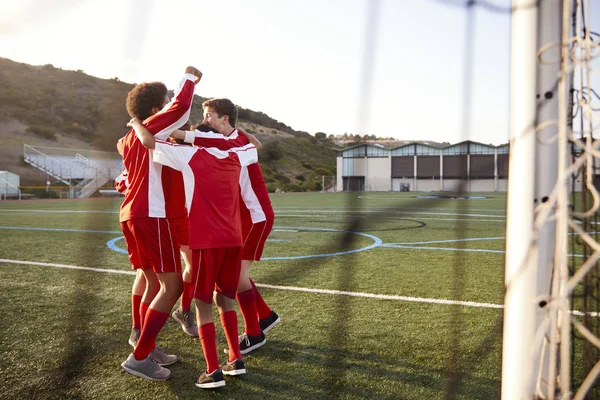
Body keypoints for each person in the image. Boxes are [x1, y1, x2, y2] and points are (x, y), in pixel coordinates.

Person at [129, 117, 258, 389]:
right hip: (234, 239)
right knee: (225, 299)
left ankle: (212, 371)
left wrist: (136, 122)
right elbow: (255, 144)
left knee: (203, 305)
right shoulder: (235, 154)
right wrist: (232, 134)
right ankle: (235, 359)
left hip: (205, 240)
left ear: (196, 137)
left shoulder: (191, 154)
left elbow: (148, 141)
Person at [174, 98, 280, 354]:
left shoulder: (229, 141)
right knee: (236, 276)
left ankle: (254, 334)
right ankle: (264, 316)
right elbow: (253, 142)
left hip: (255, 216)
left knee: (238, 278)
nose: (205, 119)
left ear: (224, 119)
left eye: (209, 114)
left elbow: (252, 143)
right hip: (245, 217)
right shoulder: (232, 139)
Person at [118, 66, 202, 382]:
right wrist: (190, 78)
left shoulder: (128, 137)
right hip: (152, 214)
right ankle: (139, 357)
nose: (170, 104)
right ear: (156, 110)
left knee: (154, 282)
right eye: (165, 101)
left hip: (132, 213)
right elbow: (180, 109)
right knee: (173, 285)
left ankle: (146, 346)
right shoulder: (154, 125)